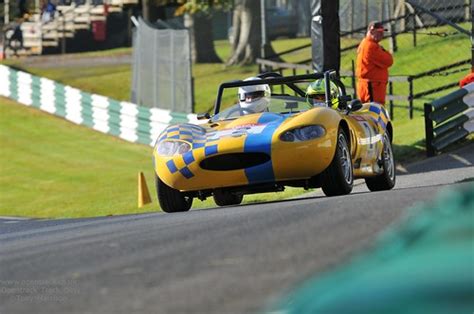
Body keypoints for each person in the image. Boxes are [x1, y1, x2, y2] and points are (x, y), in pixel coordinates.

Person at [356, 21, 393, 105]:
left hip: (369, 85)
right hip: (372, 87)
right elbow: (389, 61)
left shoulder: (366, 43)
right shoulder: (371, 46)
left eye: (382, 32)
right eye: (378, 32)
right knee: (373, 112)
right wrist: (383, 50)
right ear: (371, 31)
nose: (381, 35)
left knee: (367, 112)